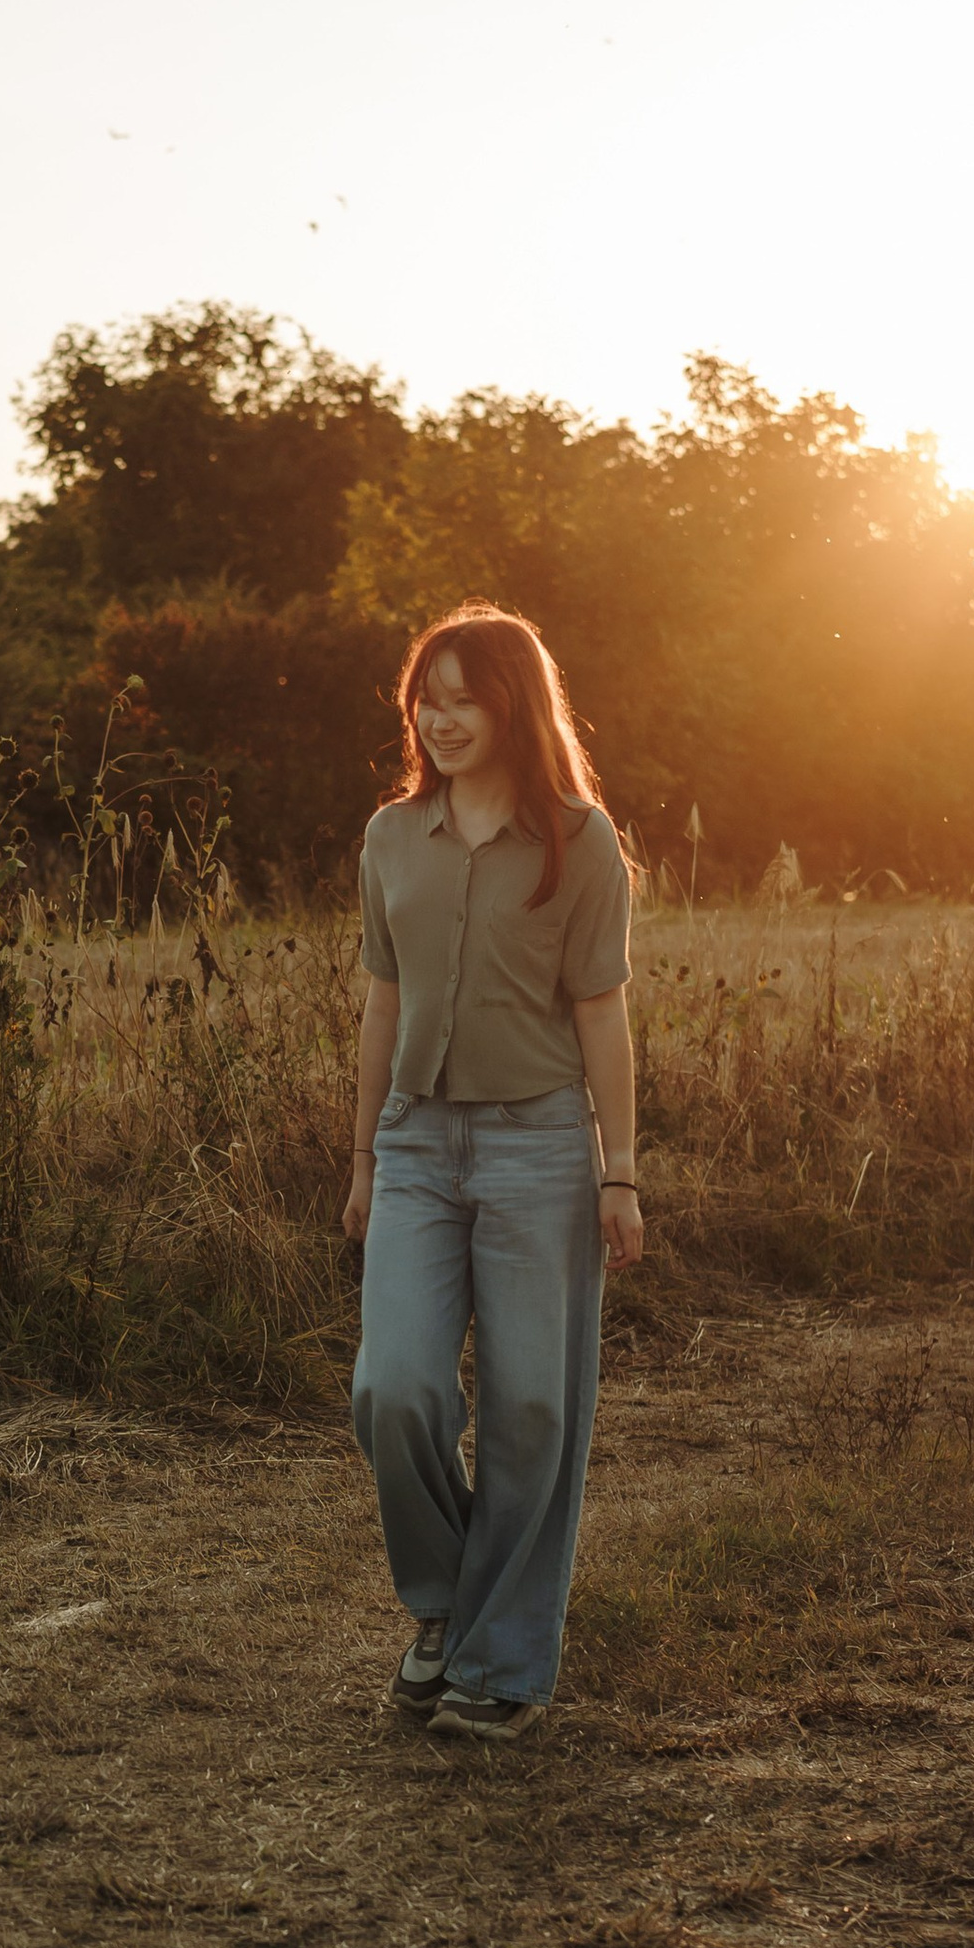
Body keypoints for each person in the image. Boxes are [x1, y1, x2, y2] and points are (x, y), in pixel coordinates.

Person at [342, 599, 644, 1740]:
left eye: (467, 698)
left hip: (539, 1152)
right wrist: (366, 1155)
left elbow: (603, 1018)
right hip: (417, 1145)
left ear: (513, 706)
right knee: (394, 1390)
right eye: (430, 695)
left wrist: (619, 1173)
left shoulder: (579, 840)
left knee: (530, 1408)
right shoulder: (389, 839)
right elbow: (382, 1000)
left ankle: (501, 1665)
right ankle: (441, 1607)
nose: (442, 717)